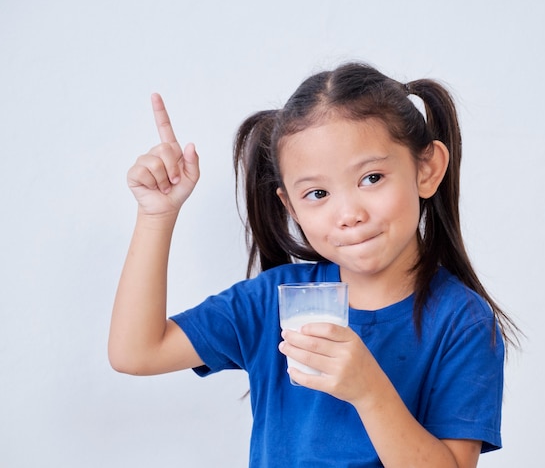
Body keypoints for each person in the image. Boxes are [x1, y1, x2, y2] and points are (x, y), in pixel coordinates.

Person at [109, 62, 519, 468]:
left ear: (426, 169)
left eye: (372, 178)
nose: (348, 213)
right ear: (290, 206)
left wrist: (369, 391)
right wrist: (156, 215)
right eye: (318, 193)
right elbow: (136, 352)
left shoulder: (462, 321)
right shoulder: (273, 303)